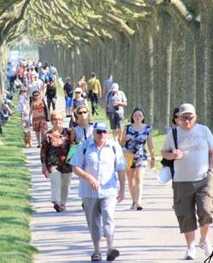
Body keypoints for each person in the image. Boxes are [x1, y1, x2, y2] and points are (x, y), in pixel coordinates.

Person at [161, 103, 213, 260]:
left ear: (195, 118)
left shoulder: (204, 131)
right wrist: (172, 155)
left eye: (189, 117)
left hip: (203, 179)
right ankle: (190, 247)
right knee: (186, 215)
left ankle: (204, 239)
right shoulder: (173, 134)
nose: (186, 121)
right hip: (181, 181)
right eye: (183, 117)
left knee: (206, 211)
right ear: (178, 118)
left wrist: (211, 172)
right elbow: (164, 152)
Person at [69, 121, 126, 262]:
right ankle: (96, 250)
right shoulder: (85, 146)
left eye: (104, 132)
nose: (101, 135)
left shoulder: (114, 147)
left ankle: (110, 249)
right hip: (89, 192)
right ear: (93, 132)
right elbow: (75, 167)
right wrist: (88, 177)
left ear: (108, 133)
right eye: (98, 132)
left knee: (108, 217)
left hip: (109, 190)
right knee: (93, 222)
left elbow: (120, 168)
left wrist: (123, 189)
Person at [121, 107, 154, 210]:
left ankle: (138, 202)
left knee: (139, 177)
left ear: (143, 117)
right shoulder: (127, 128)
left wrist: (152, 158)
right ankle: (134, 201)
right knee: (131, 181)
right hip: (128, 156)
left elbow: (150, 144)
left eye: (140, 115)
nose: (137, 117)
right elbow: (121, 143)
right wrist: (124, 139)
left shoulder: (147, 128)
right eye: (135, 115)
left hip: (141, 156)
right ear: (132, 117)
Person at [40, 110, 72, 212]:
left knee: (65, 184)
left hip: (66, 162)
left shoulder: (68, 132)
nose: (57, 121)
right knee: (55, 180)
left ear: (62, 120)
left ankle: (63, 203)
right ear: (51, 121)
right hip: (52, 162)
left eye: (59, 119)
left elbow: (73, 144)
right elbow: (44, 151)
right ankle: (56, 202)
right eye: (54, 119)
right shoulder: (48, 134)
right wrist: (43, 165)